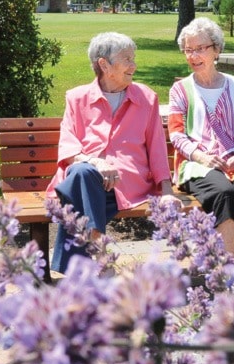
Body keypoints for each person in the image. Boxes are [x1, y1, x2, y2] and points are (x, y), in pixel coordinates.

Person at [46, 32, 179, 274]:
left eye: (133, 58)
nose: (134, 65)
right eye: (127, 59)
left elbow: (158, 147)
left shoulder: (147, 98)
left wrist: (167, 191)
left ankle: (90, 264)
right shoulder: (77, 98)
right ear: (104, 65)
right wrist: (95, 162)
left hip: (127, 183)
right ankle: (99, 251)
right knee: (82, 172)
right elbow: (67, 145)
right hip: (88, 180)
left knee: (77, 188)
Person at [168, 17, 234, 278]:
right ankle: (228, 272)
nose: (193, 55)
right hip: (197, 164)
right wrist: (201, 156)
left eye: (200, 48)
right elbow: (176, 135)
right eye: (188, 49)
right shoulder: (180, 89)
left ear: (216, 49)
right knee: (224, 192)